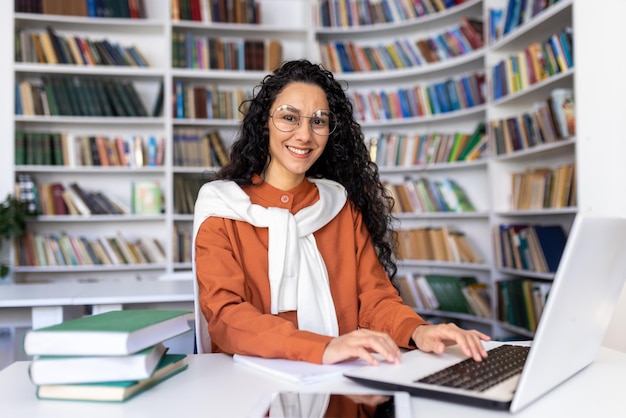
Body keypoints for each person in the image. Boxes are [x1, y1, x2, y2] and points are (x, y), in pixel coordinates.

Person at [193, 59, 490, 366]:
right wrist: (321, 347)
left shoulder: (339, 206)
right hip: (249, 388)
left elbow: (374, 300)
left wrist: (418, 331)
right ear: (264, 122)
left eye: (318, 121)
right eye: (289, 117)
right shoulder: (222, 208)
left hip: (344, 382)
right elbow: (226, 316)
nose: (305, 135)